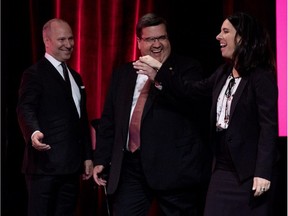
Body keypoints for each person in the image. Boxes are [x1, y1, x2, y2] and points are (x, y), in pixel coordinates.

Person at [141, 12, 279, 216]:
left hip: (249, 174)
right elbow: (190, 90)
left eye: (225, 32)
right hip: (222, 171)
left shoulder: (261, 77)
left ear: (241, 38)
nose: (218, 36)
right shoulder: (222, 72)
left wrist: (263, 172)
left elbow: (268, 127)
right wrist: (160, 71)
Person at [93, 13, 211, 216]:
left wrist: (160, 75)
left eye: (162, 38)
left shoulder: (187, 69)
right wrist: (101, 159)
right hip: (131, 167)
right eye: (150, 39)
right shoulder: (124, 73)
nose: (157, 44)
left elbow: (194, 102)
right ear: (139, 42)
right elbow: (110, 120)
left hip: (174, 170)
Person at [16, 18, 93, 216]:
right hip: (44, 168)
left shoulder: (76, 77)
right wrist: (33, 132)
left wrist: (87, 156)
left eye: (71, 38)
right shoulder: (34, 74)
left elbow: (81, 120)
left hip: (71, 169)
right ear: (47, 41)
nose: (68, 44)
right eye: (61, 39)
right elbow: (26, 107)